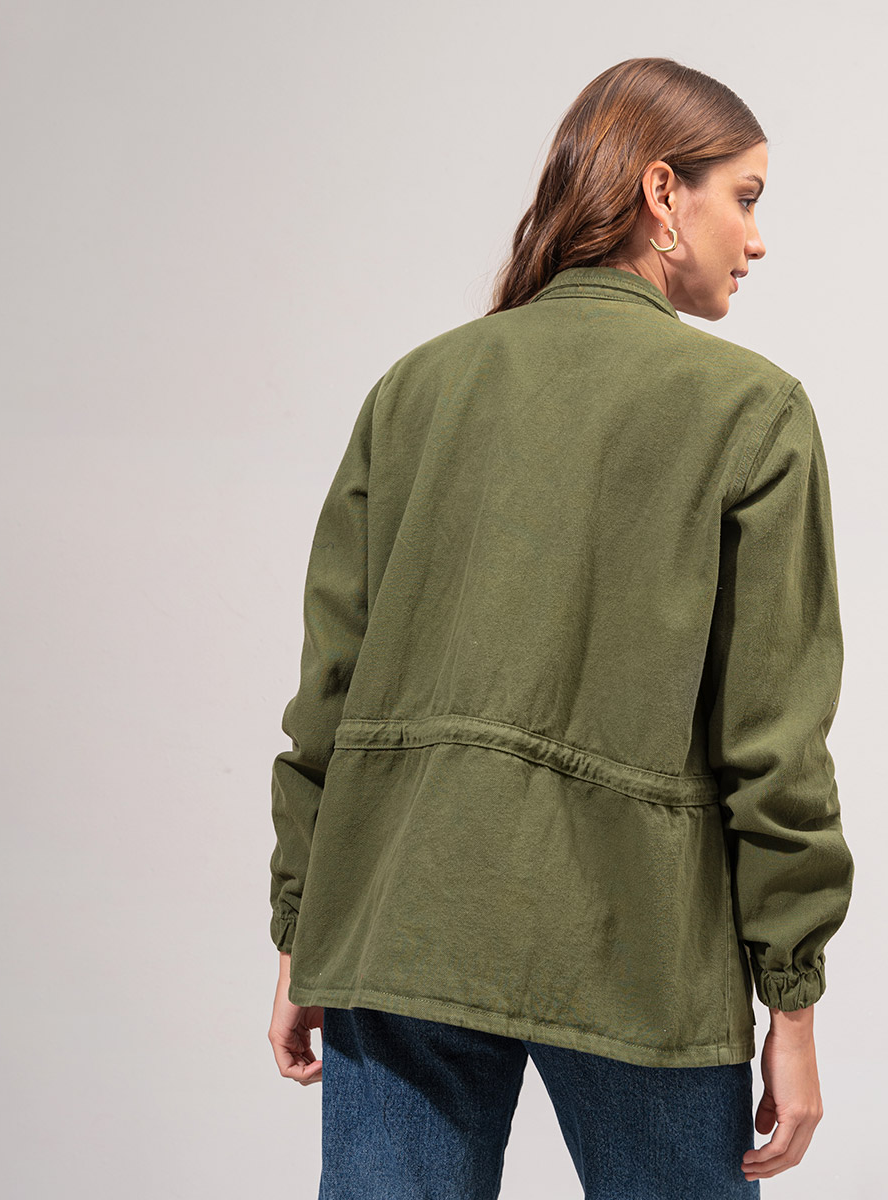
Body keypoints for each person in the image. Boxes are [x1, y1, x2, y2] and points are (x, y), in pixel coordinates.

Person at [267, 55, 855, 1198]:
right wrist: (792, 1004)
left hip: (397, 922)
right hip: (632, 942)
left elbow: (327, 693)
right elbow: (775, 742)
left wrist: (306, 928)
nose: (757, 238)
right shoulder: (751, 410)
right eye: (745, 197)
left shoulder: (417, 387)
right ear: (661, 192)